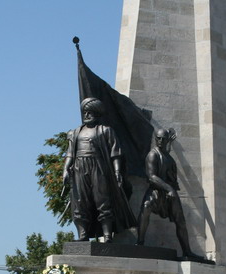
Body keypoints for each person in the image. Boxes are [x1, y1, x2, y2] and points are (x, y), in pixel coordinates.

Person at [63, 97, 136, 242]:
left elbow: (116, 154)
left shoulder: (105, 130)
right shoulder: (74, 132)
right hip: (79, 167)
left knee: (102, 200)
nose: (86, 115)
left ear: (97, 113)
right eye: (85, 112)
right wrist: (65, 169)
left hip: (99, 168)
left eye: (90, 112)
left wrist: (116, 172)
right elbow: (70, 153)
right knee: (80, 201)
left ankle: (107, 235)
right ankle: (82, 235)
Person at [136, 127, 196, 259]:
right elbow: (152, 176)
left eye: (164, 139)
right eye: (158, 138)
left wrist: (170, 143)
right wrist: (169, 189)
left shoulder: (167, 156)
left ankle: (187, 252)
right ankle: (139, 243)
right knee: (145, 208)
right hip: (156, 190)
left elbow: (166, 156)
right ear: (155, 139)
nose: (160, 141)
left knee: (180, 221)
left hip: (169, 193)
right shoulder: (152, 154)